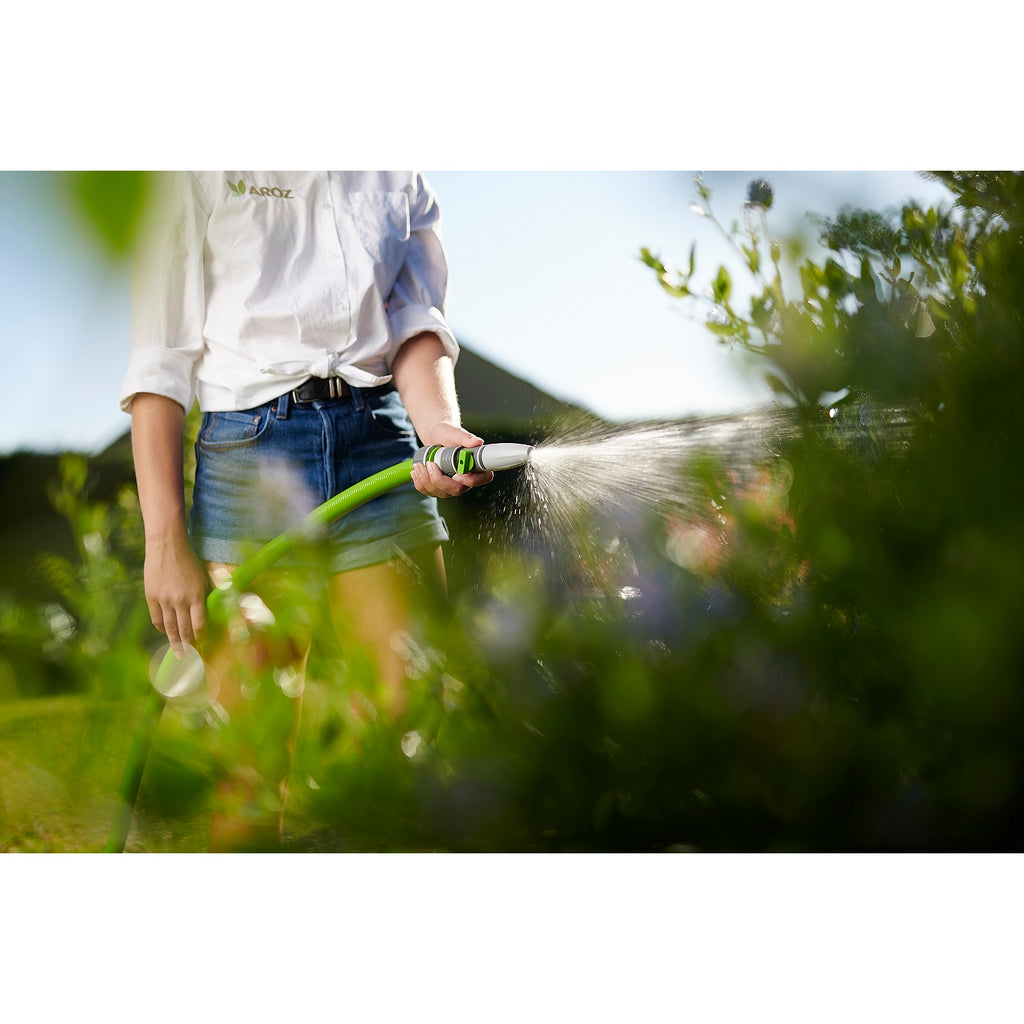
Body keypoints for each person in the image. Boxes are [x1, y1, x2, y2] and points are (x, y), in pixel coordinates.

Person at [121, 171, 492, 850]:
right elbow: (159, 365)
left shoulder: (393, 167)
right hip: (251, 453)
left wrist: (437, 426)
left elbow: (414, 322)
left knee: (413, 720)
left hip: (379, 440)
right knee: (252, 761)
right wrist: (164, 540)